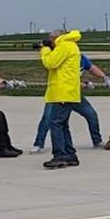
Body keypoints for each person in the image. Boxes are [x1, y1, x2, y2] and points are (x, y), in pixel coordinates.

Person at [31, 53, 110, 153]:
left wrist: (105, 77)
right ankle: (38, 144)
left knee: (91, 115)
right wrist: (84, 85)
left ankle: (97, 140)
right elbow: (66, 79)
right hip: (58, 95)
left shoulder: (80, 57)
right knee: (47, 118)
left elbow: (91, 67)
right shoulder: (62, 58)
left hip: (74, 95)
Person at [39, 29, 83, 169]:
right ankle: (70, 154)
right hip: (67, 91)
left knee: (55, 123)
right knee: (62, 124)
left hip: (63, 91)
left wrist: (45, 50)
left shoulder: (65, 46)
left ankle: (60, 155)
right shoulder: (70, 45)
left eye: (50, 39)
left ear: (56, 37)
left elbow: (50, 63)